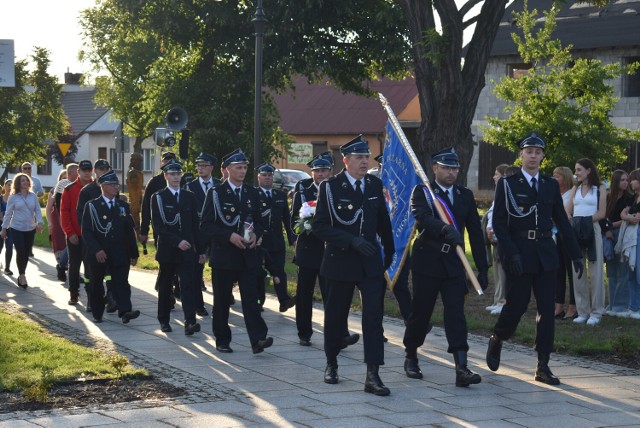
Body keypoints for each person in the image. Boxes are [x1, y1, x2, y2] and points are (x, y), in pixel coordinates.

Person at [486, 132, 583, 386]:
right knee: (516, 307)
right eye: (529, 151)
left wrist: (575, 255)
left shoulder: (550, 185)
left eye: (538, 152)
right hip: (519, 252)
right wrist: (512, 253)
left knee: (547, 311)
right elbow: (499, 223)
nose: (533, 156)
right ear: (521, 155)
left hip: (545, 254)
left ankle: (543, 365)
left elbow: (561, 221)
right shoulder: (508, 184)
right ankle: (498, 337)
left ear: (542, 156)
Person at [312, 135, 394, 396]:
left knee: (373, 318)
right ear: (345, 161)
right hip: (340, 260)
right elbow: (320, 226)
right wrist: (351, 241)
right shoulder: (330, 187)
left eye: (367, 157)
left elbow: (383, 221)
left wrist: (390, 252)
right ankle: (331, 363)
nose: (364, 161)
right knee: (336, 315)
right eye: (359, 157)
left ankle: (373, 374)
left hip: (369, 261)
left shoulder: (373, 185)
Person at [402, 147, 488, 387]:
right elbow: (422, 217)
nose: (451, 173)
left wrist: (482, 268)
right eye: (446, 168)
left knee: (456, 314)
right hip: (427, 261)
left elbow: (475, 232)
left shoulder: (464, 195)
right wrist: (443, 229)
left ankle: (462, 367)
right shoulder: (423, 192)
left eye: (454, 168)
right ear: (435, 169)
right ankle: (411, 354)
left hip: (453, 263)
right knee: (421, 311)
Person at [200, 149, 273, 354]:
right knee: (222, 300)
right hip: (224, 255)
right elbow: (206, 225)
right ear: (227, 170)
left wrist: (256, 235)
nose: (242, 171)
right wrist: (229, 236)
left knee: (251, 298)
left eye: (245, 167)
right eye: (238, 167)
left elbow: (260, 221)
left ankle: (258, 338)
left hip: (248, 254)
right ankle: (222, 339)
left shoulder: (252, 192)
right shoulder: (216, 193)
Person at [292, 152, 360, 347]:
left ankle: (341, 333)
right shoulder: (303, 191)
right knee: (304, 294)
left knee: (333, 295)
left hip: (329, 252)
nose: (320, 174)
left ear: (331, 171)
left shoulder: (337, 190)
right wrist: (305, 226)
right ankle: (304, 332)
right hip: (308, 249)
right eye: (317, 171)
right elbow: (293, 221)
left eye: (324, 171)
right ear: (312, 173)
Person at [152, 160, 204, 335]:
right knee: (165, 287)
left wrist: (201, 250)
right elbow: (159, 227)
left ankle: (190, 321)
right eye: (172, 174)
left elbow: (195, 226)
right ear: (165, 176)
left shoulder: (189, 196)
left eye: (178, 174)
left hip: (187, 250)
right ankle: (164, 320)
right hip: (168, 250)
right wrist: (177, 241)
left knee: (187, 286)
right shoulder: (158, 197)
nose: (176, 177)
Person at [81, 170, 140, 323]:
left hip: (119, 252)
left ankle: (125, 311)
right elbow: (87, 231)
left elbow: (129, 231)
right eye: (112, 184)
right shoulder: (92, 206)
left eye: (117, 184)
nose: (116, 187)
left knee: (121, 282)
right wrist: (97, 250)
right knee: (96, 284)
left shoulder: (123, 206)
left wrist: (134, 253)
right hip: (99, 253)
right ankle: (97, 312)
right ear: (103, 186)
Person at [565, 158, 607, 326]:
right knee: (578, 269)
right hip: (576, 230)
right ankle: (583, 311)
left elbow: (602, 212)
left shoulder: (600, 188)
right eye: (575, 170)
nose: (576, 173)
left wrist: (585, 222)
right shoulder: (575, 188)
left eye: (579, 169)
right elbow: (568, 210)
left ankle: (597, 311)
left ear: (589, 170)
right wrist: (575, 223)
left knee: (596, 270)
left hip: (593, 228)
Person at [255, 162, 296, 312]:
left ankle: (284, 300)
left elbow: (287, 219)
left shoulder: (280, 195)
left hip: (276, 241)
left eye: (270, 175)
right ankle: (258, 302)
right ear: (258, 177)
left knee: (279, 271)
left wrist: (292, 239)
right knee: (258, 273)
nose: (267, 178)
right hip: (259, 242)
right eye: (264, 175)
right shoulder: (253, 195)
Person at [186, 152, 221, 314]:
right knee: (195, 271)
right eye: (198, 165)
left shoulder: (220, 185)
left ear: (211, 167)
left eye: (204, 165)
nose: (200, 168)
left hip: (215, 233)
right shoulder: (190, 186)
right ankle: (198, 305)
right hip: (198, 233)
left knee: (219, 269)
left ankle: (220, 304)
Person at [1, 173, 44, 288]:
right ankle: (22, 275)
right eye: (22, 181)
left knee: (26, 253)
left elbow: (38, 211)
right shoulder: (13, 197)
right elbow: (8, 214)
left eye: (26, 180)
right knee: (21, 251)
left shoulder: (33, 196)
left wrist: (40, 223)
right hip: (16, 228)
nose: (25, 182)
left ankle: (21, 274)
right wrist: (4, 229)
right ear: (18, 184)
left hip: (30, 229)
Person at [60, 160, 94, 306]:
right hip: (76, 235)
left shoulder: (97, 187)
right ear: (78, 171)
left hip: (92, 236)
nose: (87, 172)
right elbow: (64, 212)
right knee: (74, 265)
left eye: (89, 170)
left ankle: (93, 293)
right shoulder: (69, 189)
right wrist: (70, 232)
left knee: (91, 266)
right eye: (84, 170)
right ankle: (74, 293)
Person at [604, 170, 633, 317]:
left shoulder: (630, 198)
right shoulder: (609, 197)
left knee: (623, 271)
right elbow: (603, 216)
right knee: (611, 272)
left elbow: (629, 218)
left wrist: (611, 226)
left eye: (627, 180)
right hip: (608, 236)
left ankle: (621, 306)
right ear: (616, 181)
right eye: (622, 180)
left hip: (623, 234)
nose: (626, 183)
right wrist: (607, 228)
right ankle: (613, 303)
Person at [552, 166, 578, 319]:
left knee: (571, 271)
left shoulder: (571, 194)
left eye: (558, 176)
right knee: (558, 271)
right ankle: (558, 305)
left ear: (565, 178)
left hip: (567, 234)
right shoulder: (555, 193)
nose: (554, 178)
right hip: (554, 235)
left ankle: (573, 306)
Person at [485, 164, 509, 315]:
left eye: (496, 174)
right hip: (494, 235)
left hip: (501, 235)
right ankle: (497, 299)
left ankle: (503, 301)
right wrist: (488, 228)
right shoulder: (497, 193)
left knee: (503, 271)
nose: (494, 177)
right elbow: (491, 215)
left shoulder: (506, 193)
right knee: (497, 270)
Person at [617, 169, 640, 319]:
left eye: (632, 179)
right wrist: (628, 216)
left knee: (638, 272)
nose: (630, 182)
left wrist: (628, 216)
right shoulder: (635, 198)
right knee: (632, 272)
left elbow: (635, 218)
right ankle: (634, 307)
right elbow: (623, 214)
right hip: (633, 237)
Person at [46, 170, 69, 281]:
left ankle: (68, 268)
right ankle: (62, 265)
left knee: (71, 245)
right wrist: (50, 222)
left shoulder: (74, 189)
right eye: (62, 178)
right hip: (57, 219)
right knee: (60, 243)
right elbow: (48, 208)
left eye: (66, 178)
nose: (64, 181)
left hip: (69, 219)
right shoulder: (53, 191)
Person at [0, 179, 14, 275]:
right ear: (5, 186)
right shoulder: (0, 198)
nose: (10, 186)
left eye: (12, 185)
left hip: (12, 226)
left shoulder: (15, 198)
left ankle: (7, 268)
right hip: (1, 225)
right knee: (0, 246)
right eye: (8, 184)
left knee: (9, 247)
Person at [127, 153, 144, 231]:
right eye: (140, 161)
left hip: (137, 198)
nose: (141, 163)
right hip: (135, 200)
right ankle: (136, 232)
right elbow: (134, 191)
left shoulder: (137, 173)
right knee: (135, 213)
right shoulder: (134, 174)